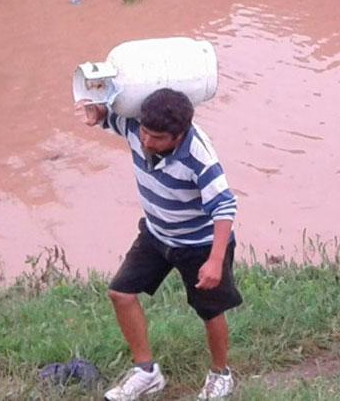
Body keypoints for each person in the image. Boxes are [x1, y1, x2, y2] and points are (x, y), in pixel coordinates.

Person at [81, 89, 241, 401]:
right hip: (157, 233)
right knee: (121, 293)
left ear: (178, 136)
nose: (146, 142)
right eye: (144, 132)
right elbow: (107, 118)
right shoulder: (136, 129)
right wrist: (96, 114)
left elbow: (224, 207)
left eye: (156, 138)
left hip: (199, 243)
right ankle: (147, 372)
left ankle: (221, 374)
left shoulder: (199, 158)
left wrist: (214, 260)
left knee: (210, 311)